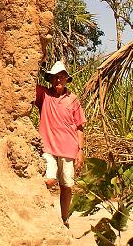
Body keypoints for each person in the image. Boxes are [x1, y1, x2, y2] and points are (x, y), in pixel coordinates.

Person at [35, 61, 85, 228]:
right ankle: (44, 216)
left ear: (66, 80)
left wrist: (80, 150)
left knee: (67, 186)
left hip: (68, 148)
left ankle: (64, 220)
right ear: (50, 79)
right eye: (55, 77)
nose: (58, 80)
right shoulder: (44, 95)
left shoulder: (73, 99)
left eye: (61, 77)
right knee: (49, 180)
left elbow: (79, 126)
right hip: (47, 147)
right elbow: (25, 81)